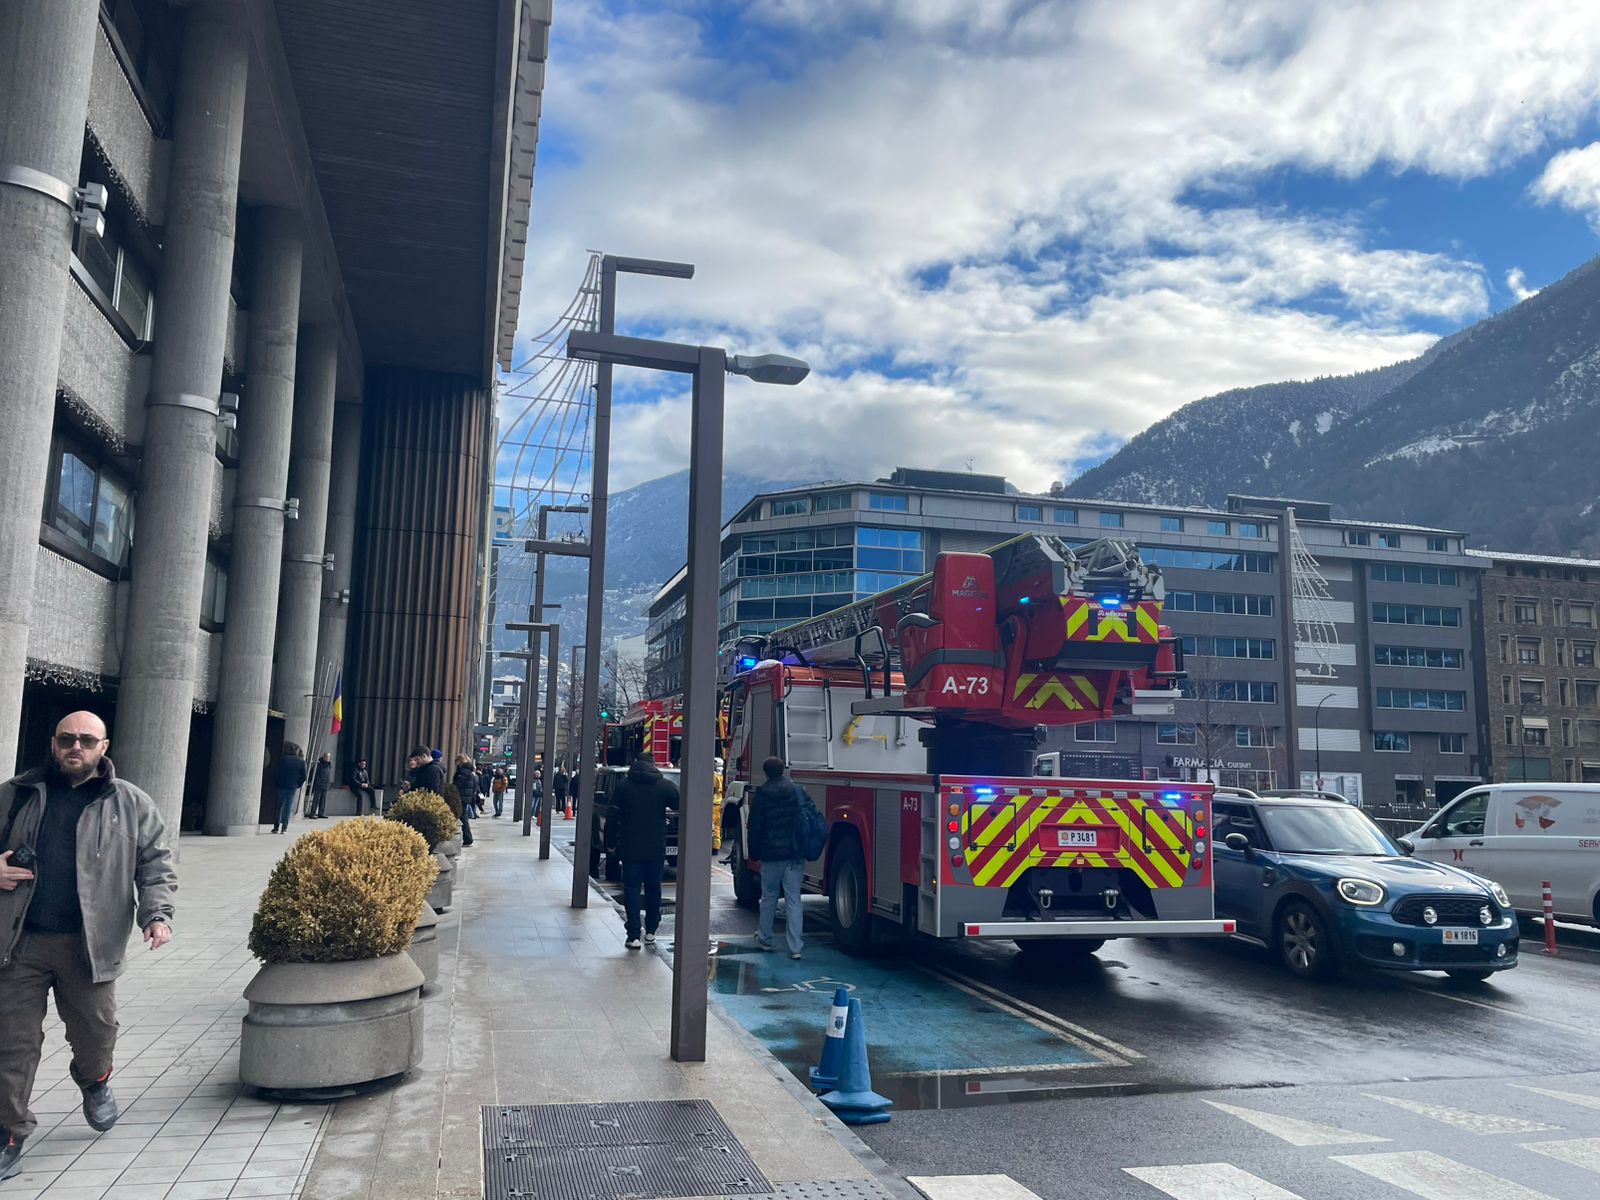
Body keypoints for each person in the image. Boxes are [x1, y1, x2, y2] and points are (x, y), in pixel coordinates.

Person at [0, 712, 176, 1181]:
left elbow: (156, 864)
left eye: (86, 740)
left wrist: (157, 915)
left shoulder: (130, 802)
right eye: (66, 739)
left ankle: (95, 1080)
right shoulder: (16, 794)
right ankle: (10, 1133)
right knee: (11, 1044)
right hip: (19, 944)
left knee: (96, 1034)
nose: (74, 747)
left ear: (104, 747)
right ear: (53, 743)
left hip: (88, 947)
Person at [609, 753, 679, 950]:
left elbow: (613, 816)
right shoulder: (664, 785)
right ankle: (651, 931)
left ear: (635, 762)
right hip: (655, 847)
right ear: (653, 764)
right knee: (653, 889)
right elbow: (680, 803)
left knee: (632, 889)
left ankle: (633, 935)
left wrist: (611, 844)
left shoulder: (624, 785)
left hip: (631, 847)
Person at [748, 756, 809, 960]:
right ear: (783, 770)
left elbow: (755, 827)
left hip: (771, 854)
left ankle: (765, 937)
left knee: (769, 896)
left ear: (766, 772)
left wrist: (754, 853)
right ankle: (795, 947)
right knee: (793, 900)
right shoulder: (797, 792)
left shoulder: (762, 795)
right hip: (793, 854)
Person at [272, 744, 307, 834]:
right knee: (288, 807)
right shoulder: (301, 761)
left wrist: (276, 783)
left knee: (279, 806)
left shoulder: (283, 759)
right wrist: (298, 784)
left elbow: (276, 772)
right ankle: (284, 828)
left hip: (281, 785)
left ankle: (276, 827)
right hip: (292, 786)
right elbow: (304, 776)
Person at [451, 755, 478, 847]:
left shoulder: (463, 772)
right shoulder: (469, 771)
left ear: (460, 761)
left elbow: (457, 784)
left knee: (462, 817)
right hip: (466, 797)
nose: (455, 763)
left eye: (456, 761)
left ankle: (467, 838)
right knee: (463, 817)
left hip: (461, 797)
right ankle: (467, 839)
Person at [309, 753, 332, 818]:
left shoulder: (329, 765)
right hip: (318, 784)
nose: (328, 758)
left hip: (325, 784)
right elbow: (312, 773)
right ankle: (313, 813)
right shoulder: (318, 764)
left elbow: (328, 775)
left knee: (323, 800)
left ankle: (321, 813)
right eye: (327, 757)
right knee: (316, 800)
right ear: (324, 757)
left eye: (329, 757)